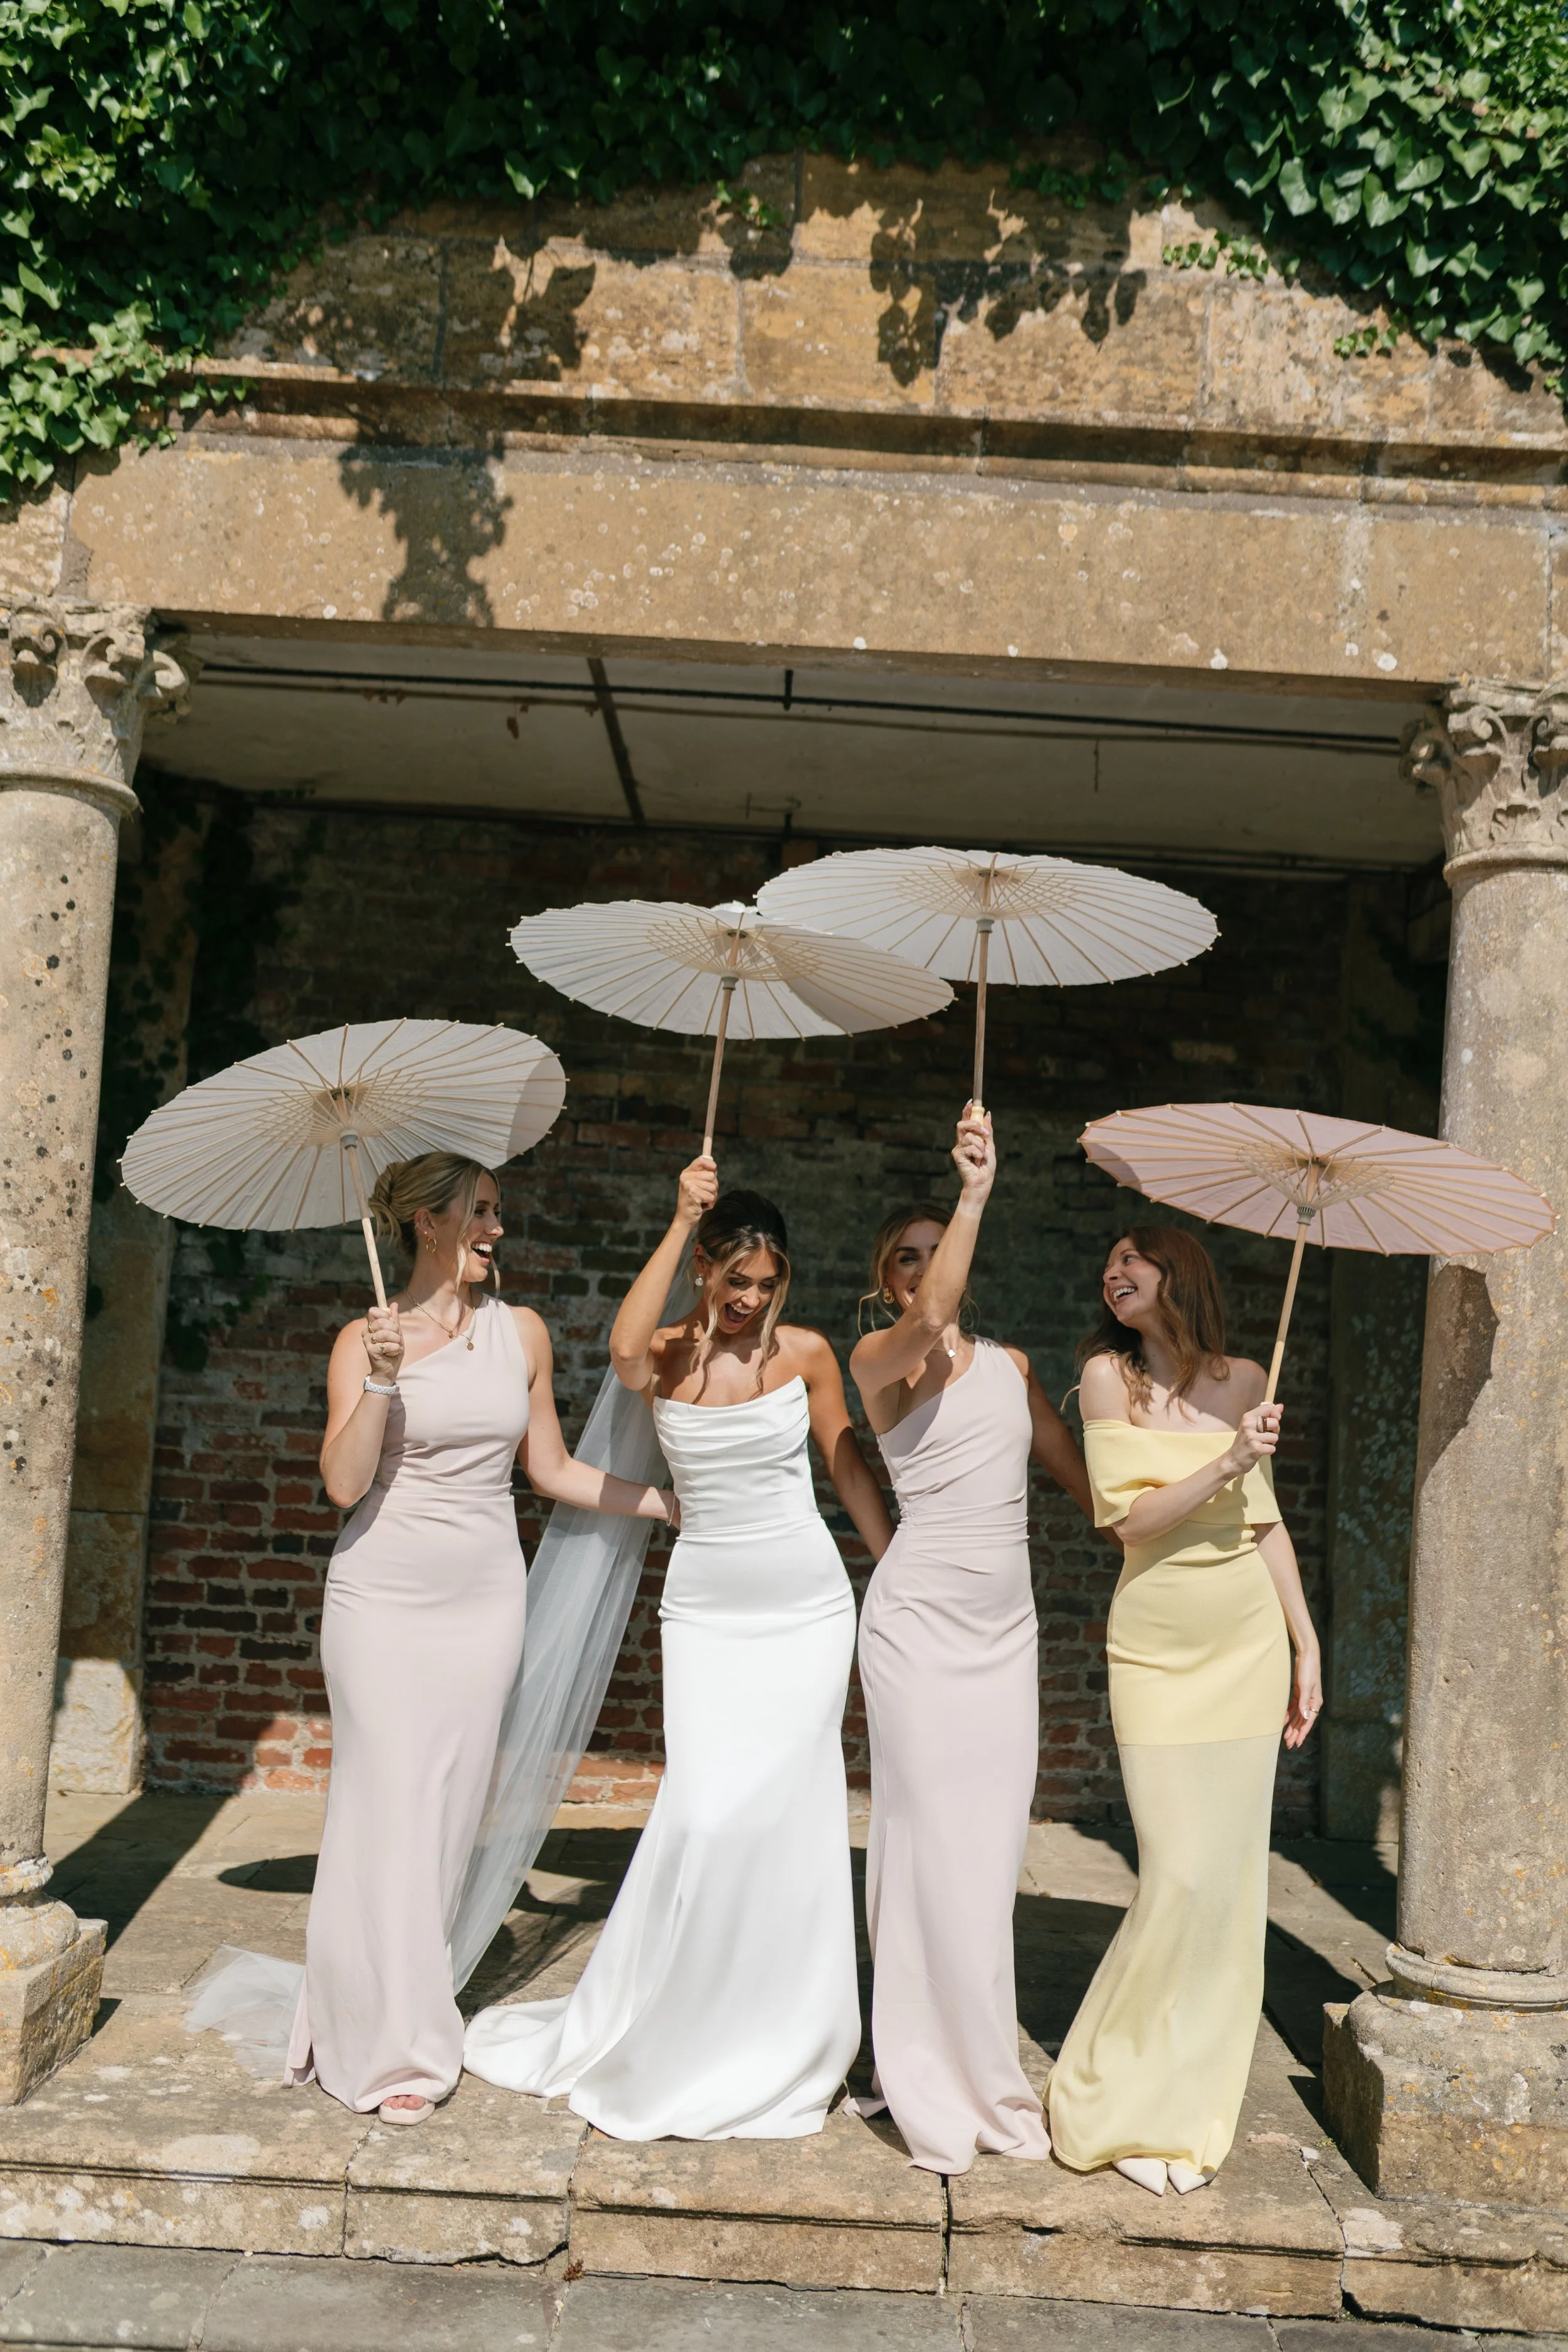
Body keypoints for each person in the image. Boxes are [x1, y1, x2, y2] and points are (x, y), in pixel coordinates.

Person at [464, 1158, 894, 2139]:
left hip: (806, 1603)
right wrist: (676, 1216)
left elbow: (847, 1466)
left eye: (765, 1286)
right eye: (733, 1279)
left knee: (792, 1809)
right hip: (705, 1607)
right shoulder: (661, 1357)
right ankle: (684, 2008)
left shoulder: (809, 1355)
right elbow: (617, 1346)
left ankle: (793, 2024)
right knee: (704, 1809)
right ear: (705, 1268)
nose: (747, 1301)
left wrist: (893, 1565)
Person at [291, 1152, 674, 2124]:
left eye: (498, 1212)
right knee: (382, 1805)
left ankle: (386, 2007)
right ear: (428, 1223)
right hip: (381, 1596)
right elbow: (342, 1484)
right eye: (482, 1212)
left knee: (451, 1811)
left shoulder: (524, 1332)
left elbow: (549, 1467)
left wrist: (666, 1501)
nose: (498, 1228)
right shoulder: (362, 1339)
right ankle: (391, 2047)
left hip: (483, 1599)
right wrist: (380, 1379)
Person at [845, 1106, 1096, 2175]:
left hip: (1006, 1636)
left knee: (987, 1854)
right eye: (905, 1258)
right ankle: (918, 2066)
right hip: (914, 1630)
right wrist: (975, 1191)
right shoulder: (879, 1361)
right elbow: (942, 1302)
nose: (922, 1268)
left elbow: (1090, 1488)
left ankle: (982, 2057)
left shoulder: (1012, 1365)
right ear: (889, 1280)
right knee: (922, 1841)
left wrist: (1207, 1459)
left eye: (928, 1251)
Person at [1047, 1226, 1322, 2196]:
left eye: (1135, 1258)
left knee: (1229, 1883)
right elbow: (1127, 1520)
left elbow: (1267, 1522)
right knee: (1177, 1872)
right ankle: (1114, 2088)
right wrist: (1224, 1461)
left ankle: (1187, 2098)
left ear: (1179, 1272)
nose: (1114, 1270)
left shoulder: (1247, 1378)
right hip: (1158, 1646)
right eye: (1108, 1258)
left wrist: (1305, 1639)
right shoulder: (1105, 1377)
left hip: (1244, 1641)